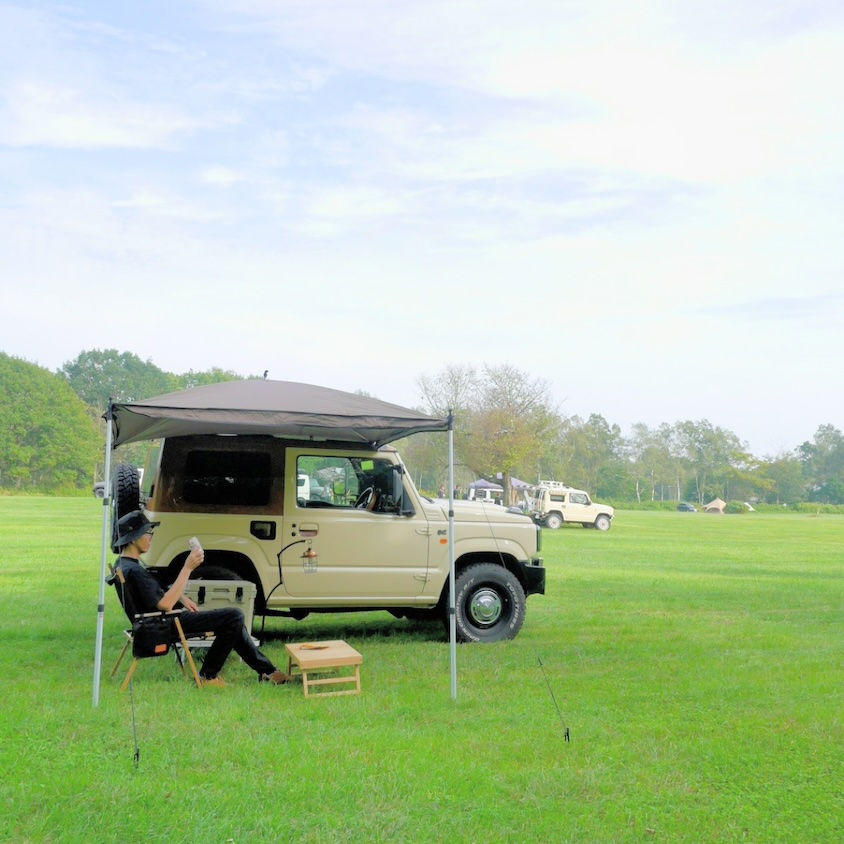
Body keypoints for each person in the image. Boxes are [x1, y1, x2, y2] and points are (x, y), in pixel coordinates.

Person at [112, 510, 292, 688]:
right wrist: (187, 568)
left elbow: (155, 593)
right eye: (147, 533)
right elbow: (165, 604)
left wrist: (181, 598)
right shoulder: (134, 571)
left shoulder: (125, 565)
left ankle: (266, 671)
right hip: (162, 625)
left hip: (157, 621)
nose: (151, 537)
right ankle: (209, 675)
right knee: (234, 616)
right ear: (134, 538)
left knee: (233, 622)